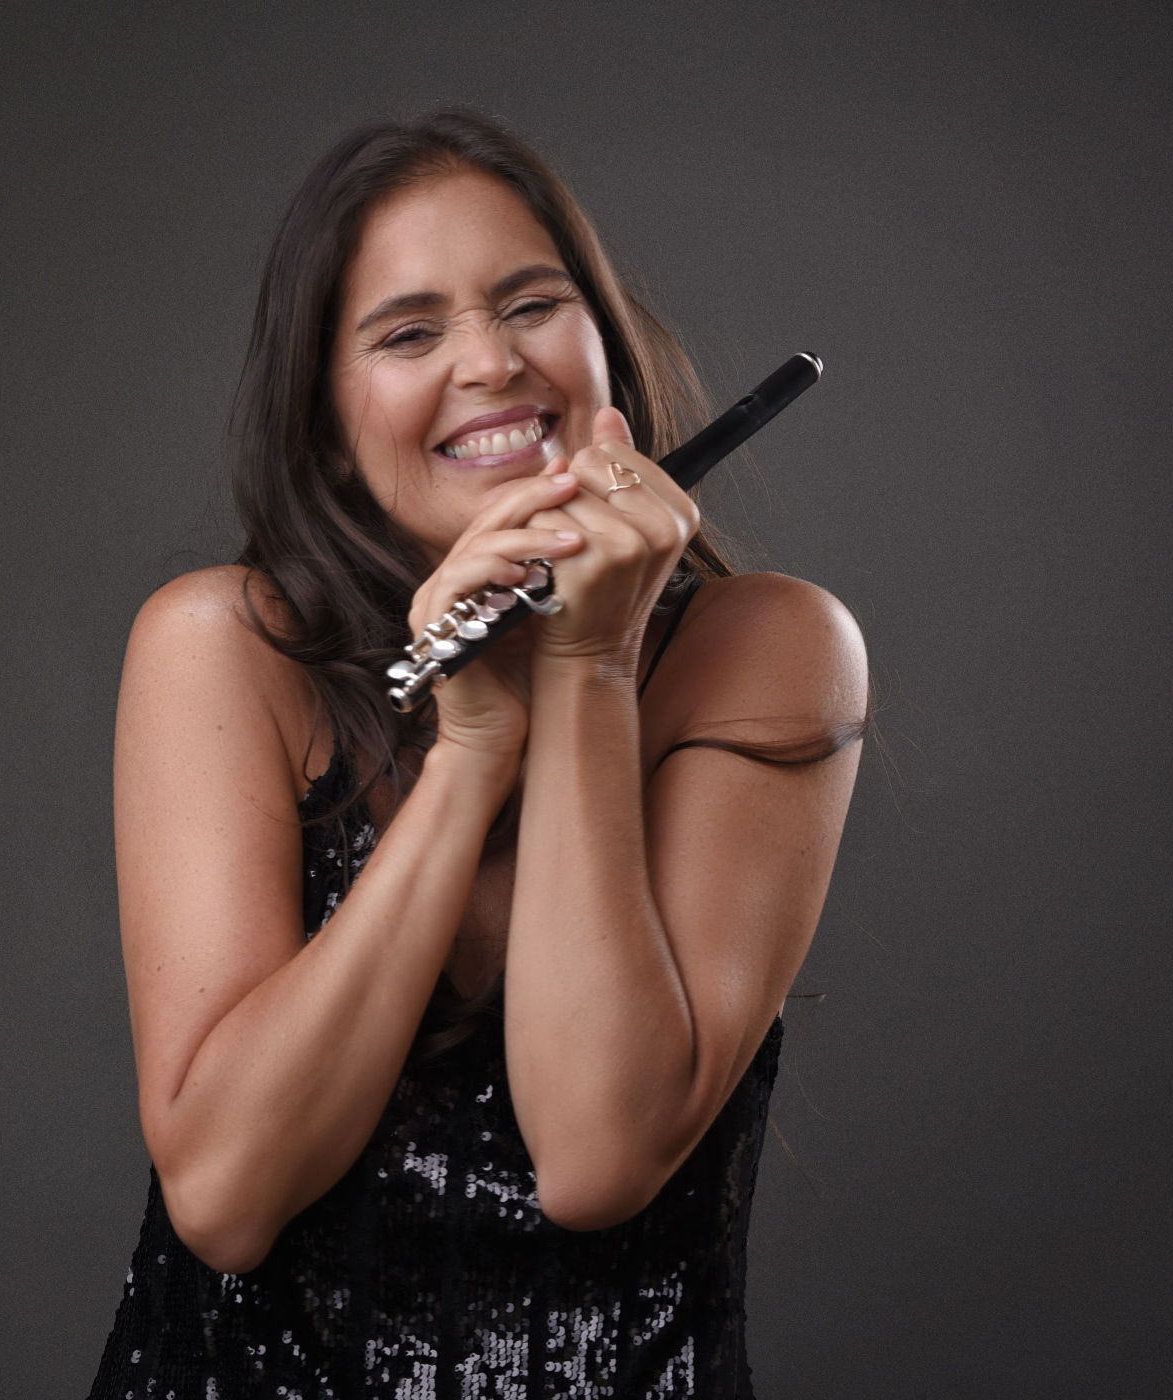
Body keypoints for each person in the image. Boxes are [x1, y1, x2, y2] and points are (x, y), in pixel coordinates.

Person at [89, 111, 867, 1400]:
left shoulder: (770, 647)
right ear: (326, 423)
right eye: (408, 333)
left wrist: (589, 666)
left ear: (603, 349)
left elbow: (596, 1157)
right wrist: (474, 746)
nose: (494, 363)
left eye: (533, 305)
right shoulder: (224, 647)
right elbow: (224, 1198)